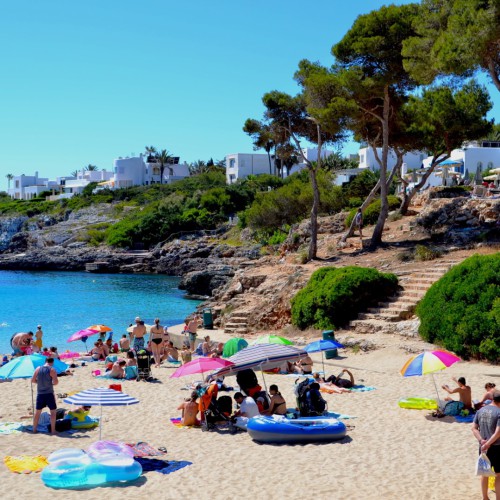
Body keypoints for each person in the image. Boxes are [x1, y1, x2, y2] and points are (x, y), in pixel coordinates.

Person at [471, 390, 500, 500]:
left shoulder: (481, 410)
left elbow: (473, 428)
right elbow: (498, 433)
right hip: (497, 447)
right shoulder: (499, 412)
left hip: (483, 448)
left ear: (493, 399)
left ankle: (485, 498)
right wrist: (488, 443)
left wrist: (481, 441)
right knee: (498, 475)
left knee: (484, 473)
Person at [31, 357, 58, 434]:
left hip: (40, 394)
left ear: (45, 361)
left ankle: (34, 429)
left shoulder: (38, 368)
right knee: (53, 411)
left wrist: (39, 382)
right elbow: (55, 382)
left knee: (38, 412)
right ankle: (53, 431)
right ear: (52, 362)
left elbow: (33, 380)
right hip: (49, 393)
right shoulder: (52, 369)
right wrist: (50, 383)